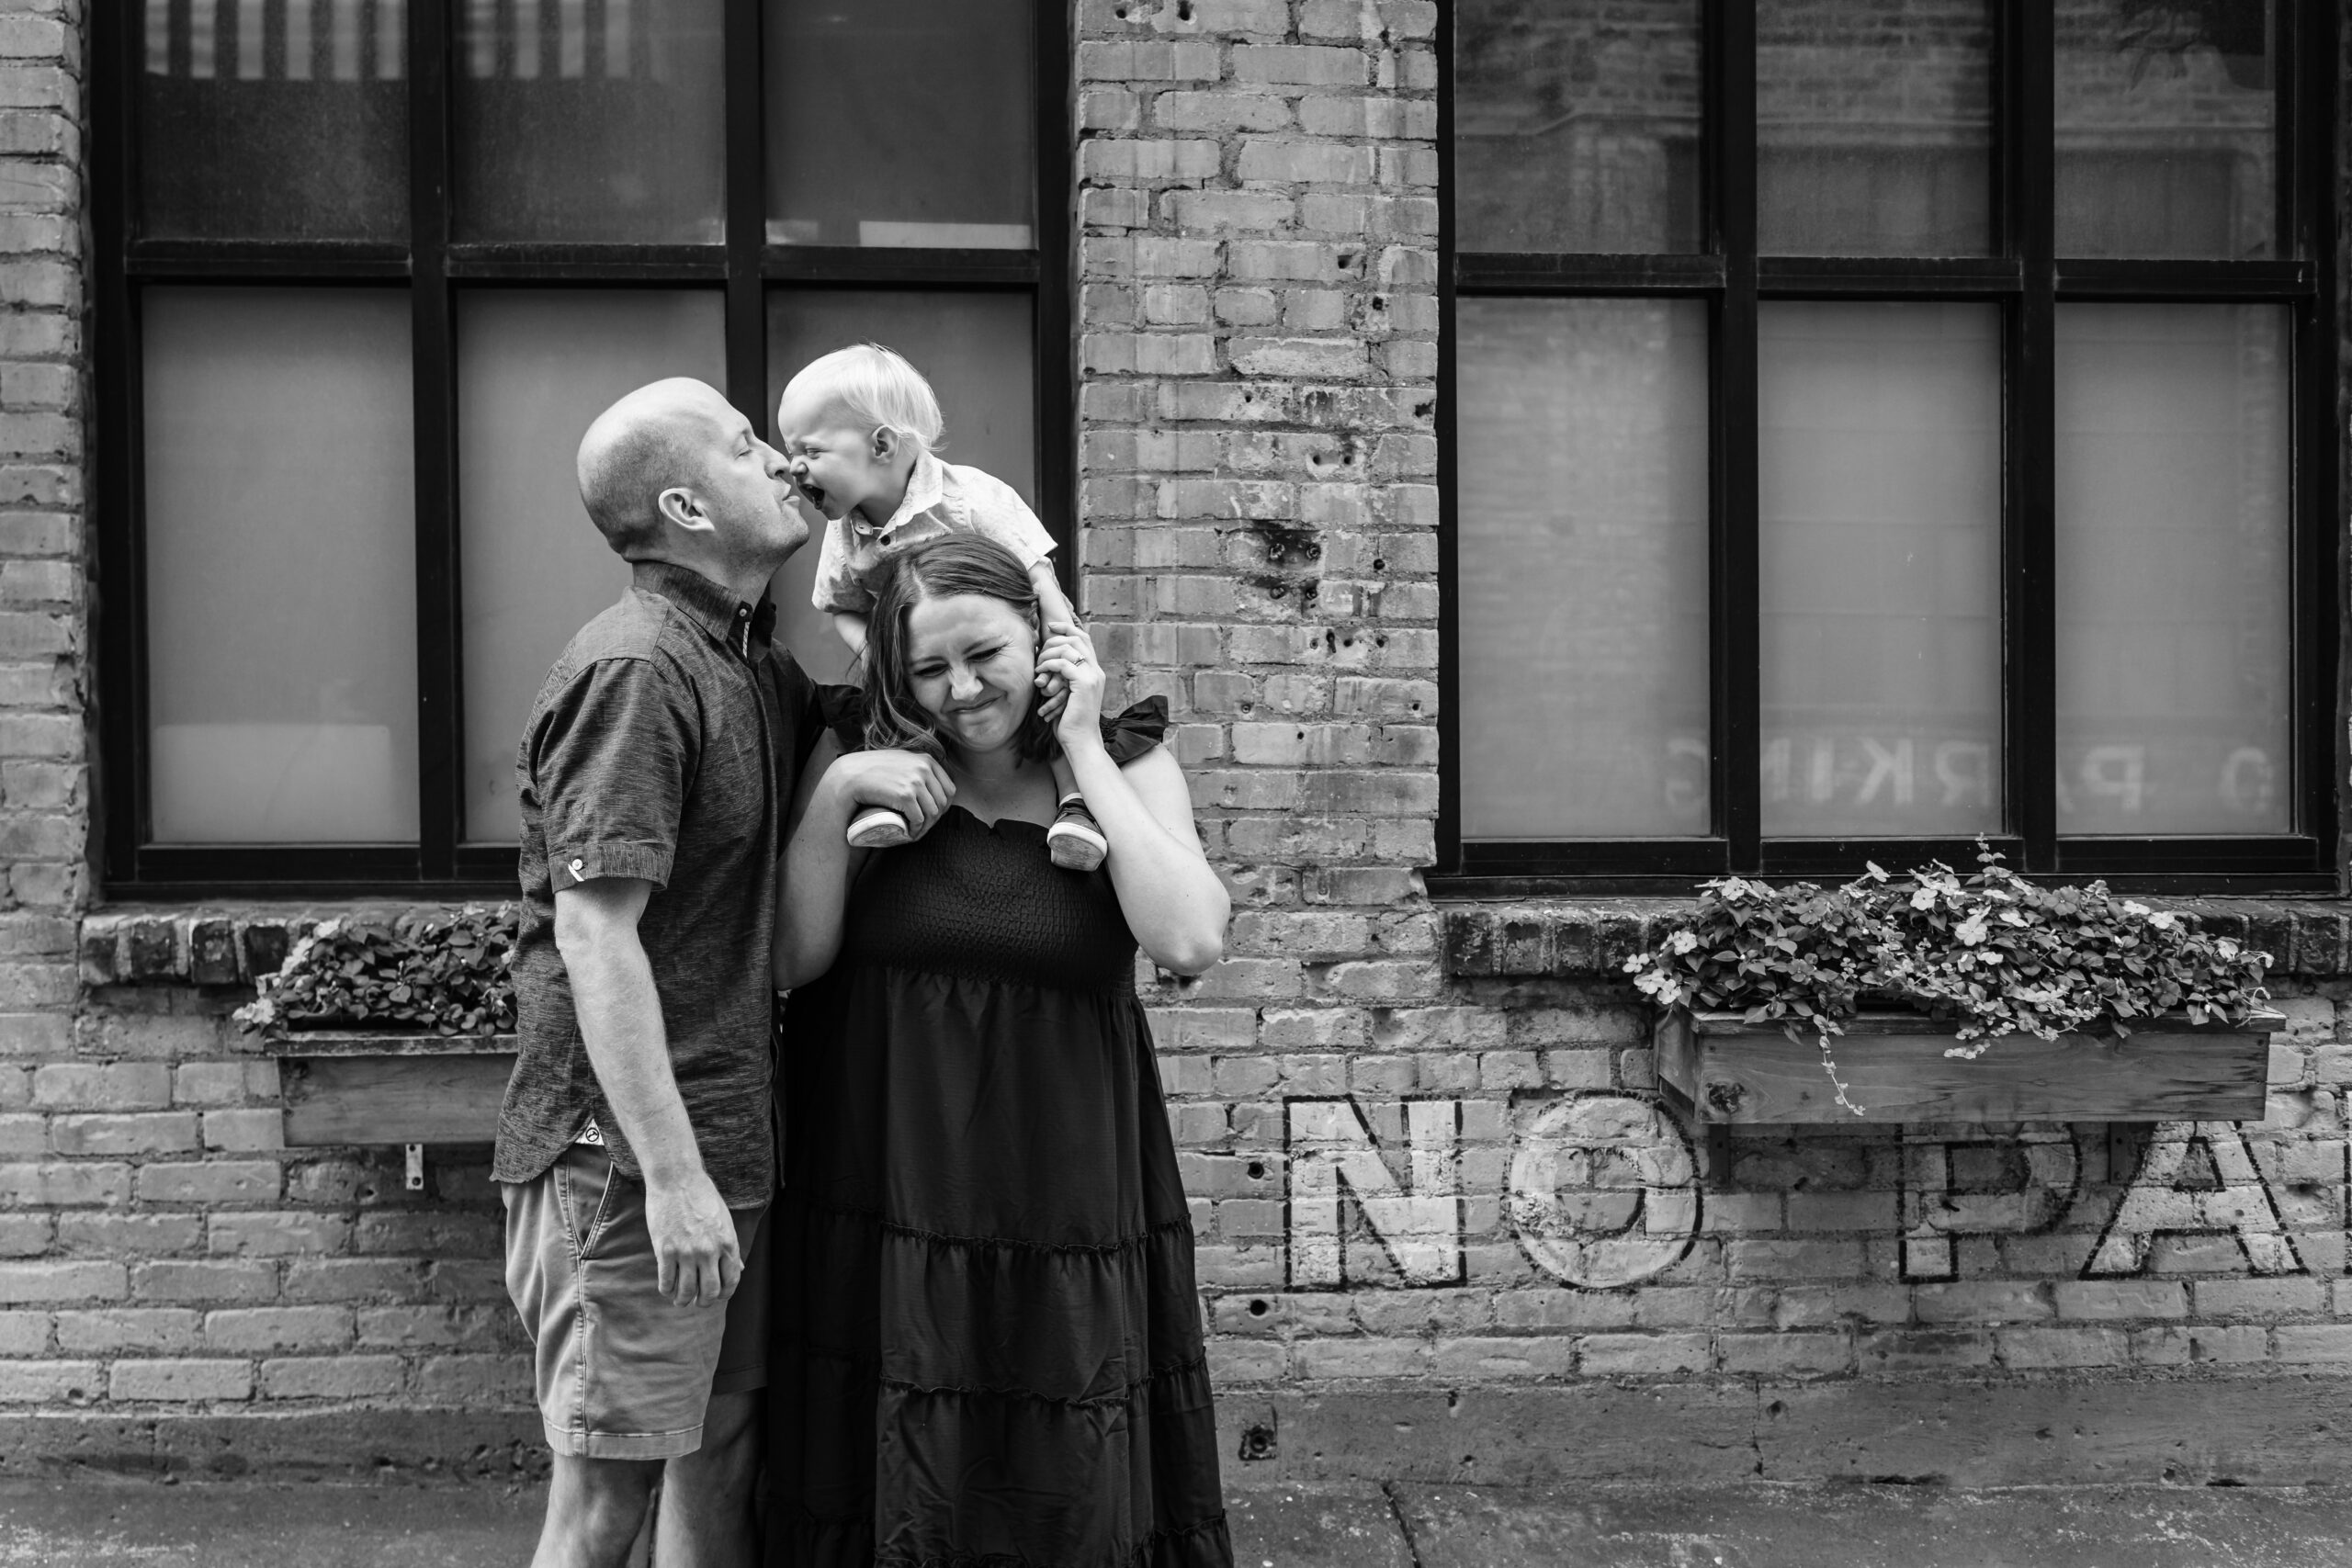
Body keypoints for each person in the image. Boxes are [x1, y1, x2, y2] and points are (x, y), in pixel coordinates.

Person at [766, 536, 1236, 1568]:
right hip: (885, 1189)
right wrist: (839, 791)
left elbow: (1190, 940)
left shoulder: (1126, 756)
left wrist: (1082, 749)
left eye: (985, 653)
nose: (962, 689)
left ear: (1042, 632)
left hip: (1062, 1197)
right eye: (929, 668)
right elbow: (793, 961)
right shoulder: (854, 749)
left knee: (1061, 1468)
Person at [495, 377, 820, 1568]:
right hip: (626, 1167)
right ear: (687, 503)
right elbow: (596, 933)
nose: (782, 458)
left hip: (724, 1143)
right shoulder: (637, 669)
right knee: (600, 1510)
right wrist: (673, 1178)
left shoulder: (742, 657)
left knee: (719, 1454)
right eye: (747, 445)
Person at [775, 343, 1110, 871]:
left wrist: (1059, 637)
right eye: (791, 452)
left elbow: (1037, 568)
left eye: (811, 452)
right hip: (917, 664)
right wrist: (878, 656)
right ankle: (891, 802)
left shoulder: (969, 496)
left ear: (881, 443)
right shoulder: (845, 534)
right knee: (887, 716)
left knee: (1053, 707)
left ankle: (1075, 806)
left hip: (1013, 642)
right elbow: (840, 606)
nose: (793, 469)